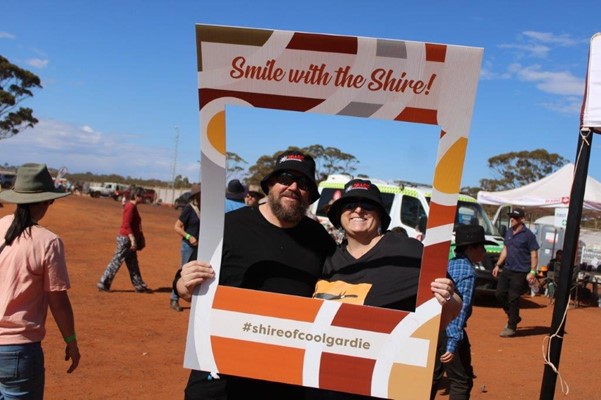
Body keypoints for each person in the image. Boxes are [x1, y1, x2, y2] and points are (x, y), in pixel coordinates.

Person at [176, 150, 337, 399]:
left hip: (283, 375)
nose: (293, 187)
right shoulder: (226, 227)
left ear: (309, 195)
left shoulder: (320, 239)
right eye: (285, 178)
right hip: (219, 373)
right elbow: (184, 283)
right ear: (270, 184)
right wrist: (183, 286)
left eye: (303, 183)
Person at [311, 179, 461, 399]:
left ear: (380, 214)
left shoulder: (408, 251)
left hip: (386, 379)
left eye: (368, 205)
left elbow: (452, 303)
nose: (358, 210)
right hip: (330, 377)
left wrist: (447, 298)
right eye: (350, 204)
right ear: (340, 214)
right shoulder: (328, 259)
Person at [0, 163, 80, 398]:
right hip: (19, 351)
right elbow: (59, 302)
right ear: (45, 201)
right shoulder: (48, 242)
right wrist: (71, 341)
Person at [431, 225, 496, 400]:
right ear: (470, 248)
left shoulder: (449, 264)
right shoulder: (467, 272)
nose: (484, 250)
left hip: (435, 327)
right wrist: (452, 342)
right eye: (481, 246)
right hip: (450, 330)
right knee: (461, 380)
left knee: (432, 377)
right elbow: (459, 310)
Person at [492, 208, 539, 337]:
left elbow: (534, 254)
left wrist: (533, 272)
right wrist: (498, 265)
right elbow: (505, 249)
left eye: (515, 217)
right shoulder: (508, 232)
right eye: (511, 217)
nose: (512, 219)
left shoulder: (528, 235)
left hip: (521, 271)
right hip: (507, 269)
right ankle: (514, 316)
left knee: (513, 297)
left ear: (522, 219)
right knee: (499, 294)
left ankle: (511, 326)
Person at [97, 187, 151, 293]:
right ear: (136, 196)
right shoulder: (130, 207)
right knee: (116, 261)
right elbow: (126, 225)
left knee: (133, 263)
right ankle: (103, 283)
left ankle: (139, 285)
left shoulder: (133, 206)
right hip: (126, 239)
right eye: (142, 196)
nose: (144, 199)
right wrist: (133, 240)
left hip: (129, 239)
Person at [171, 184, 201, 311]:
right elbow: (177, 227)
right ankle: (174, 298)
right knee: (184, 273)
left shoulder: (206, 209)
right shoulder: (190, 208)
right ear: (196, 196)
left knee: (197, 273)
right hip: (188, 246)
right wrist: (189, 236)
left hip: (201, 246)